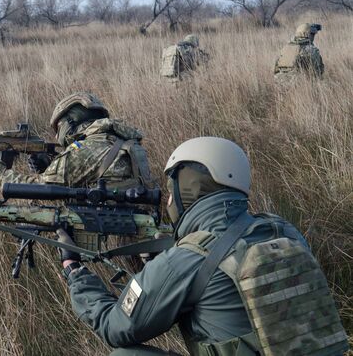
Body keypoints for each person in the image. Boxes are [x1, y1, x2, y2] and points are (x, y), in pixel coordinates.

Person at [56, 137, 349, 356]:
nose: (168, 198)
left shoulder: (184, 259)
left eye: (172, 187)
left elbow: (114, 327)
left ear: (189, 188)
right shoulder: (283, 230)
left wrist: (74, 270)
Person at [0, 92, 154, 191]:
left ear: (70, 122)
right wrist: (49, 166)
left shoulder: (86, 148)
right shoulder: (120, 139)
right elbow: (89, 176)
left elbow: (41, 189)